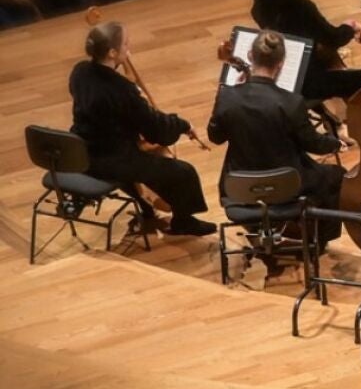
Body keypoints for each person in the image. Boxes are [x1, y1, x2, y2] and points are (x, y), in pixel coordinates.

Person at [69, 21, 213, 235]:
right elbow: (156, 130)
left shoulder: (80, 72)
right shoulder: (122, 90)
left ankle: (146, 209)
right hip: (111, 159)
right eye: (125, 45)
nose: (129, 50)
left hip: (82, 153)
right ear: (112, 53)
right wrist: (183, 125)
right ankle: (183, 222)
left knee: (144, 165)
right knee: (184, 173)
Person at [207, 29, 344, 229]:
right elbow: (313, 144)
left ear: (250, 56)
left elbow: (215, 137)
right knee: (338, 176)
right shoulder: (291, 103)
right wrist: (335, 143)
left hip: (240, 188)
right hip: (287, 187)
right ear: (281, 64)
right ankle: (317, 241)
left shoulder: (228, 97)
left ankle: (260, 228)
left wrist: (224, 98)